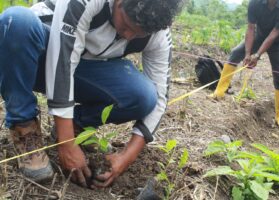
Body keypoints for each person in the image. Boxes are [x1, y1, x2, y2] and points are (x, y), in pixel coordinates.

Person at [0, 0, 183, 187]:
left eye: (138, 34)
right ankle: (25, 129)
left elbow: (160, 97)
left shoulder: (158, 34)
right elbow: (62, 63)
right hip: (36, 56)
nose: (128, 36)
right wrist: (67, 143)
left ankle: (76, 124)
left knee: (144, 95)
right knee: (16, 21)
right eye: (127, 25)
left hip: (85, 67)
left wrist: (125, 157)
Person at [210, 0, 279, 128]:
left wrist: (257, 55)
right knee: (235, 54)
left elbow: (273, 35)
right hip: (259, 36)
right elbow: (251, 28)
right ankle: (219, 92)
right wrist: (247, 53)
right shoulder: (255, 3)